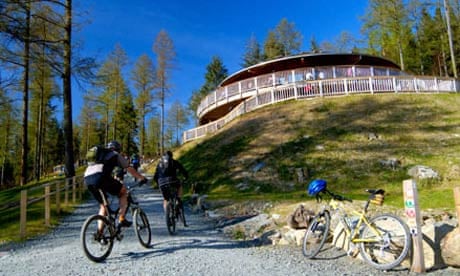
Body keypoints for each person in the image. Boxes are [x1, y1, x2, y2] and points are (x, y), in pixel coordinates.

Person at [86, 140, 148, 228]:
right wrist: (142, 178)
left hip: (88, 179)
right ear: (118, 149)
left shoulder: (100, 156)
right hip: (101, 177)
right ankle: (122, 218)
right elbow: (129, 168)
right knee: (123, 192)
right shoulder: (114, 154)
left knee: (103, 206)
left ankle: (99, 233)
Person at [153, 150, 189, 225]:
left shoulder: (159, 164)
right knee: (179, 186)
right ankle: (178, 199)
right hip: (173, 180)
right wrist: (186, 177)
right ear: (171, 156)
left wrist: (158, 184)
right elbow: (182, 170)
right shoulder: (174, 162)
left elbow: (155, 176)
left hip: (162, 183)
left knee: (166, 199)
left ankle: (167, 215)